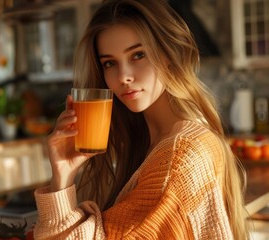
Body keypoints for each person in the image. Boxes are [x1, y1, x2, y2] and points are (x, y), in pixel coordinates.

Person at [33, 0, 249, 239]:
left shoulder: (179, 154)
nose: (123, 76)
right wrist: (63, 173)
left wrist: (61, 186)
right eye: (110, 63)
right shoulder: (152, 142)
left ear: (168, 54)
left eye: (138, 55)